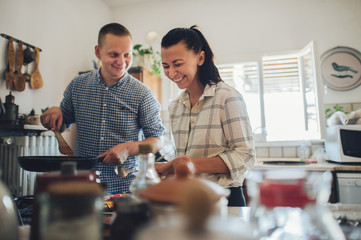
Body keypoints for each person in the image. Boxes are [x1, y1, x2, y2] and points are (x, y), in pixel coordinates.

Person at [41, 23, 165, 194]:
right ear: (98, 52)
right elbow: (62, 124)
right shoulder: (77, 86)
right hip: (83, 184)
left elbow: (157, 141)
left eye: (127, 55)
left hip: (124, 188)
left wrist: (128, 148)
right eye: (114, 54)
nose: (122, 62)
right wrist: (54, 115)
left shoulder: (143, 94)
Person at [156, 26, 255, 206]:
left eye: (177, 64)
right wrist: (169, 168)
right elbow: (185, 161)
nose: (171, 73)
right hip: (187, 199)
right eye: (165, 66)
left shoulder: (227, 97)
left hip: (225, 199)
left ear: (200, 58)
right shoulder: (175, 107)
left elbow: (246, 155)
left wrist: (189, 164)